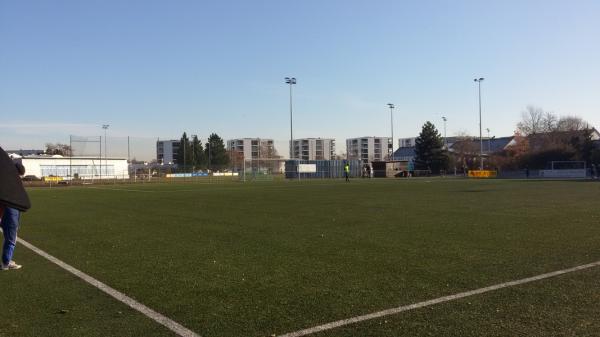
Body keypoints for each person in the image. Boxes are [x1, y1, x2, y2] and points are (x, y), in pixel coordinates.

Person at [1, 162, 27, 270]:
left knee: (9, 238)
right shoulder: (12, 184)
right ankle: (6, 263)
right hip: (10, 214)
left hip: (9, 214)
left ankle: (5, 261)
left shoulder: (7, 181)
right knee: (11, 239)